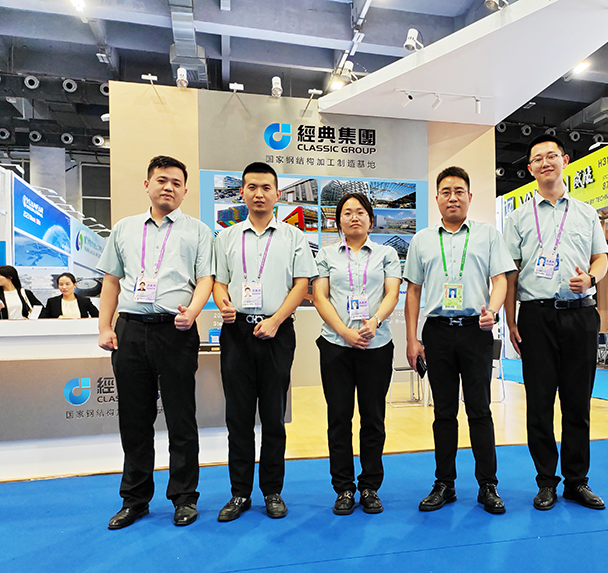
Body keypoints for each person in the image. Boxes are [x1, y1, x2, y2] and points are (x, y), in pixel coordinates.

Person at [96, 155, 214, 530]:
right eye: (162, 180)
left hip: (176, 330)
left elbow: (205, 280)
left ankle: (184, 497)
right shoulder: (124, 229)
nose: (169, 187)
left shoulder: (198, 231)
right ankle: (135, 499)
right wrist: (104, 327)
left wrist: (193, 312)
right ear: (147, 185)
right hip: (130, 330)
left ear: (185, 191)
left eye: (176, 183)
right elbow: (111, 281)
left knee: (181, 418)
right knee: (134, 419)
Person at [503, 134, 608, 511]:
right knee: (539, 403)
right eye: (538, 158)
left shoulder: (586, 213)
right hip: (536, 316)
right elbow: (510, 273)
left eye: (552, 155)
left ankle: (577, 481)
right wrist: (510, 321)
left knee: (578, 403)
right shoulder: (517, 218)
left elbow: (601, 258)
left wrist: (591, 279)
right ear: (530, 169)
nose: (545, 162)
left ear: (564, 160)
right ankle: (546, 481)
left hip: (580, 313)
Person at [404, 166, 514, 515]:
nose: (453, 197)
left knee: (480, 409)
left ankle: (488, 485)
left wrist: (492, 311)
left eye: (459, 191)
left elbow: (500, 280)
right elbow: (413, 291)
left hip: (475, 330)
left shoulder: (488, 235)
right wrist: (411, 338)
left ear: (470, 197)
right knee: (444, 412)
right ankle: (444, 484)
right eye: (446, 192)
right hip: (436, 332)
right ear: (437, 198)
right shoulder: (422, 240)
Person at [212, 162, 317, 522]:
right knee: (238, 418)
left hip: (277, 331)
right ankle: (239, 493)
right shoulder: (226, 237)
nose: (259, 194)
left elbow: (301, 285)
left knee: (273, 417)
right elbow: (219, 282)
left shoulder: (293, 237)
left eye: (266, 187)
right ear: (242, 192)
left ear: (277, 194)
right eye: (252, 187)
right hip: (237, 332)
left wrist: (275, 320)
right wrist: (223, 304)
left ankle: (272, 491)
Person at [313, 192, 401, 515]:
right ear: (338, 220)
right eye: (347, 212)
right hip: (336, 346)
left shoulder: (387, 253)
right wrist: (345, 332)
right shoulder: (326, 254)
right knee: (339, 418)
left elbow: (392, 293)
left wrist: (374, 322)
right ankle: (344, 488)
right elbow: (320, 297)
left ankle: (369, 486)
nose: (354, 217)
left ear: (371, 220)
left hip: (376, 346)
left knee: (373, 418)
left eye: (360, 212)